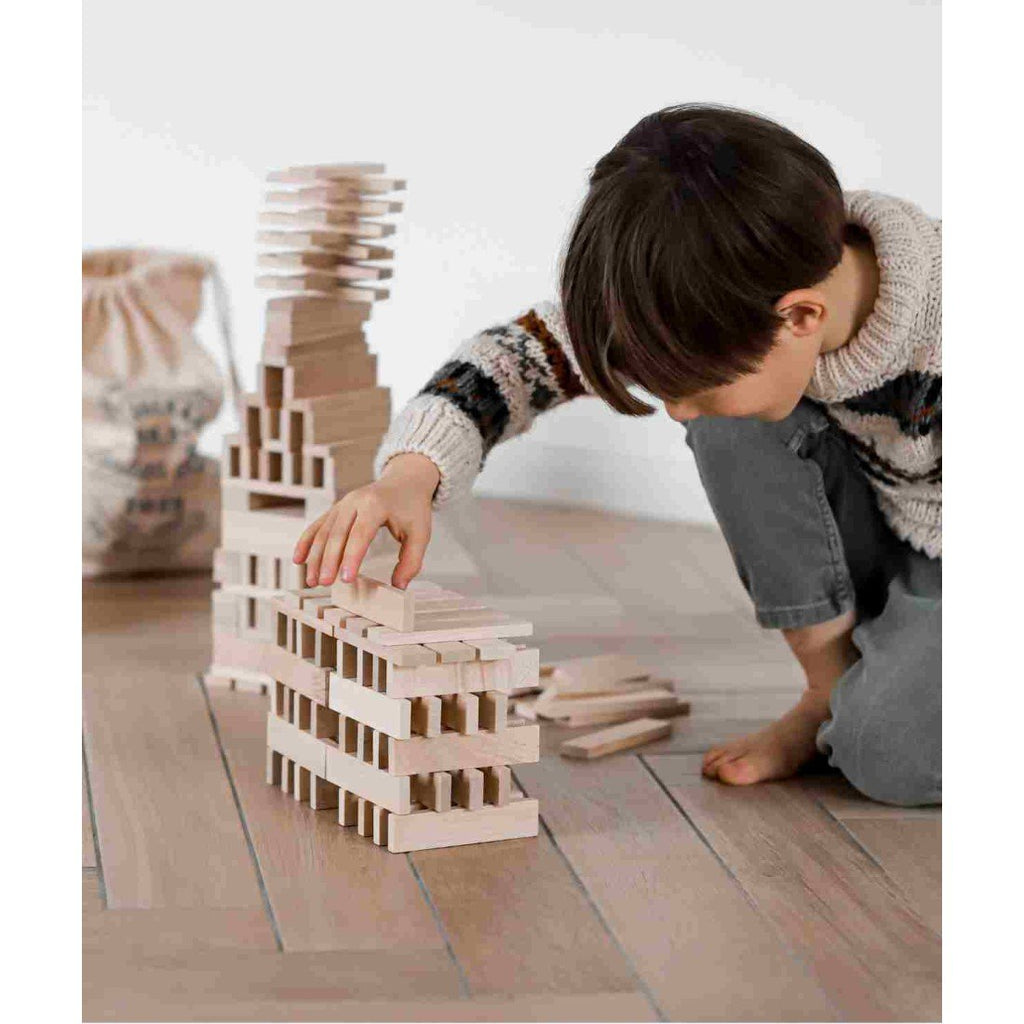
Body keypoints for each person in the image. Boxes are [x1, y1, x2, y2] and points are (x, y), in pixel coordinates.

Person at [293, 104, 941, 806]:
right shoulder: (723, 283)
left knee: (889, 757)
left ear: (800, 317)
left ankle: (868, 702)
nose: (676, 413)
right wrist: (409, 476)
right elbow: (510, 364)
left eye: (692, 386)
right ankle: (827, 695)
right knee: (733, 422)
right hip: (887, 521)